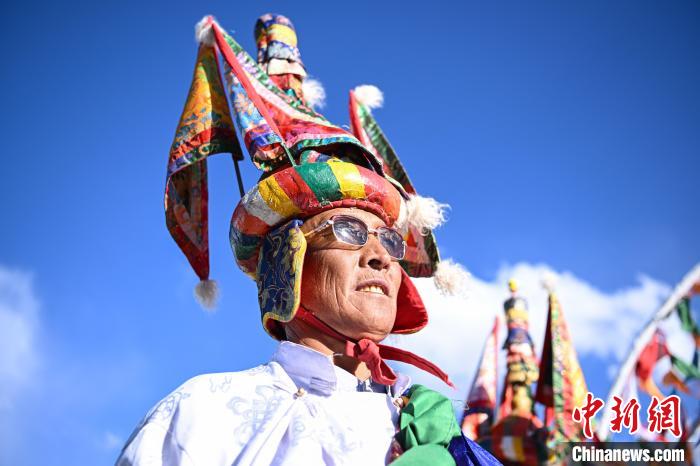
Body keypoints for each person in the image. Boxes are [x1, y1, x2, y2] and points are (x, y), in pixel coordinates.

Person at [117, 13, 501, 466]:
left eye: (389, 240)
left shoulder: (431, 428)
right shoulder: (200, 415)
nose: (380, 256)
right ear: (287, 259)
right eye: (349, 230)